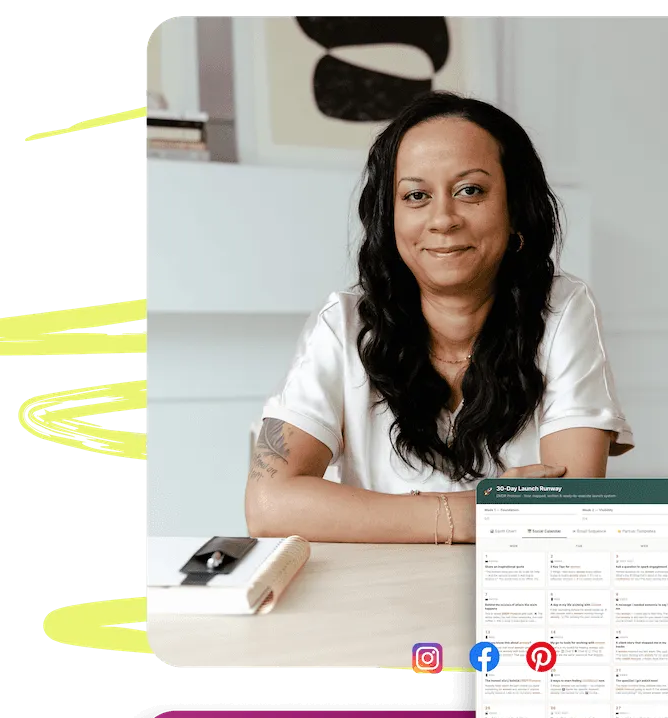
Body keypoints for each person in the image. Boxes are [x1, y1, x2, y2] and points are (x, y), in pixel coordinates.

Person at [246, 92, 634, 544]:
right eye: (416, 195)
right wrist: (470, 515)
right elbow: (268, 506)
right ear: (389, 220)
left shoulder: (563, 310)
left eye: (470, 190)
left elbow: (569, 507)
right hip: (375, 598)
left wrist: (380, 516)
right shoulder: (344, 325)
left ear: (515, 210)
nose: (443, 219)